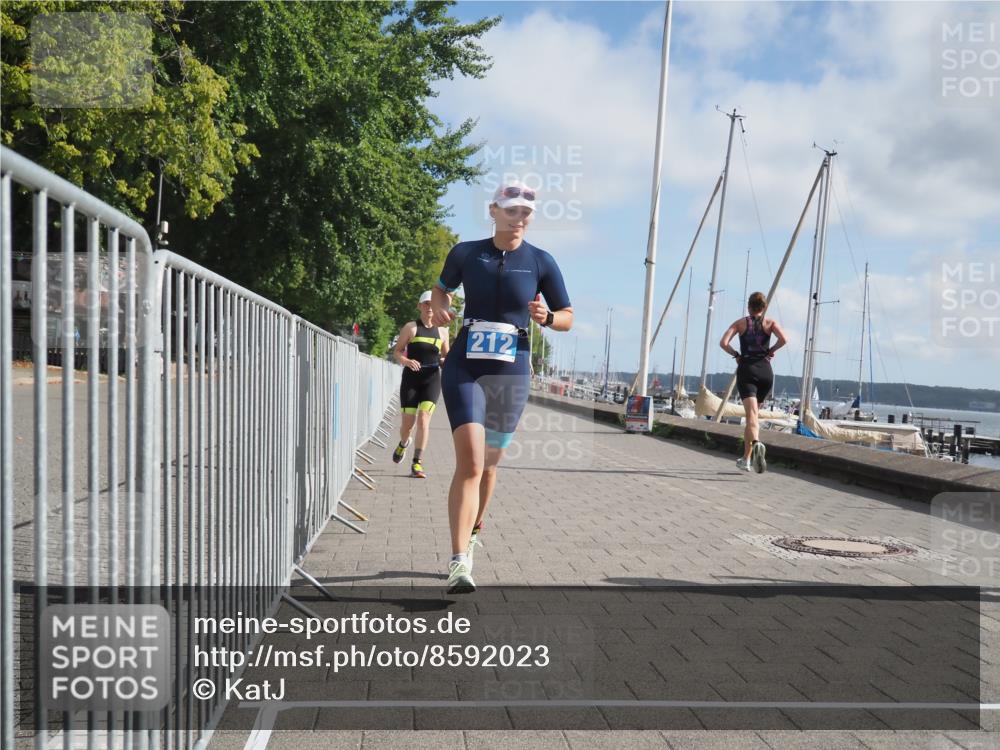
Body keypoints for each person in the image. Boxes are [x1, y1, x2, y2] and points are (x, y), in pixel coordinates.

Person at [430, 181, 573, 593]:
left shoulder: (541, 261)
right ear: (493, 211)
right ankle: (459, 560)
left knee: (489, 466)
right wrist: (440, 304)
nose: (519, 218)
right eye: (511, 210)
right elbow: (442, 288)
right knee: (471, 463)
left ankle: (474, 530)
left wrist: (548, 318)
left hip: (511, 373)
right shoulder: (466, 253)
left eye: (526, 212)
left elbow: (567, 315)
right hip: (466, 367)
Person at [719, 291, 788, 473]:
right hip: (766, 372)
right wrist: (771, 350)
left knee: (751, 417)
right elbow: (784, 339)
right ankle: (746, 459)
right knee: (753, 417)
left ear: (749, 306)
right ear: (764, 307)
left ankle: (756, 443)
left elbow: (723, 343)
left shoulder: (740, 323)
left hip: (747, 370)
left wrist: (736, 355)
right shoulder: (770, 323)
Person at [391, 291, 450, 478]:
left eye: (432, 304)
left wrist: (445, 361)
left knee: (424, 419)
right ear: (419, 306)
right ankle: (403, 443)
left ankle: (417, 463)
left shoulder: (443, 331)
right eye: (426, 304)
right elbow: (397, 352)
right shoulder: (411, 327)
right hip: (411, 380)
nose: (429, 307)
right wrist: (407, 361)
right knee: (407, 425)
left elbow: (445, 356)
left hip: (432, 380)